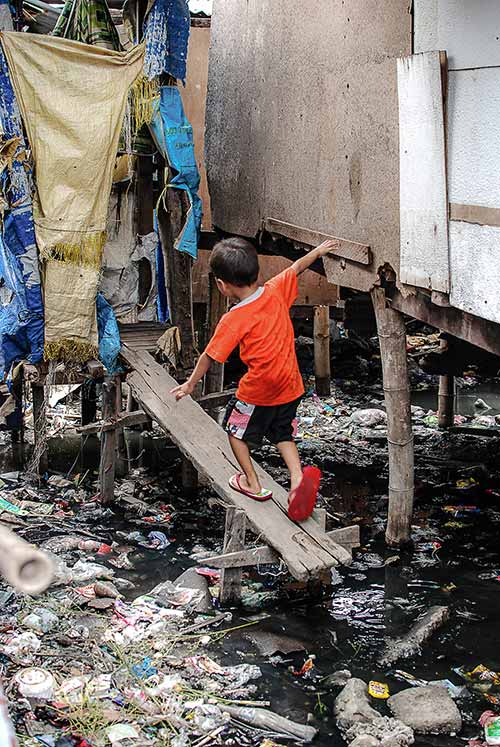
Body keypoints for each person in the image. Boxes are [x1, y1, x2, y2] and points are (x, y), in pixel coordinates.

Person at [171, 236, 337, 520]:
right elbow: (297, 267)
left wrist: (190, 384)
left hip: (260, 388)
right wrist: (318, 251)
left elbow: (209, 356)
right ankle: (297, 478)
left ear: (222, 285)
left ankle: (251, 482)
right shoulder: (275, 290)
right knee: (282, 432)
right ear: (257, 272)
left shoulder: (234, 318)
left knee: (234, 430)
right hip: (291, 383)